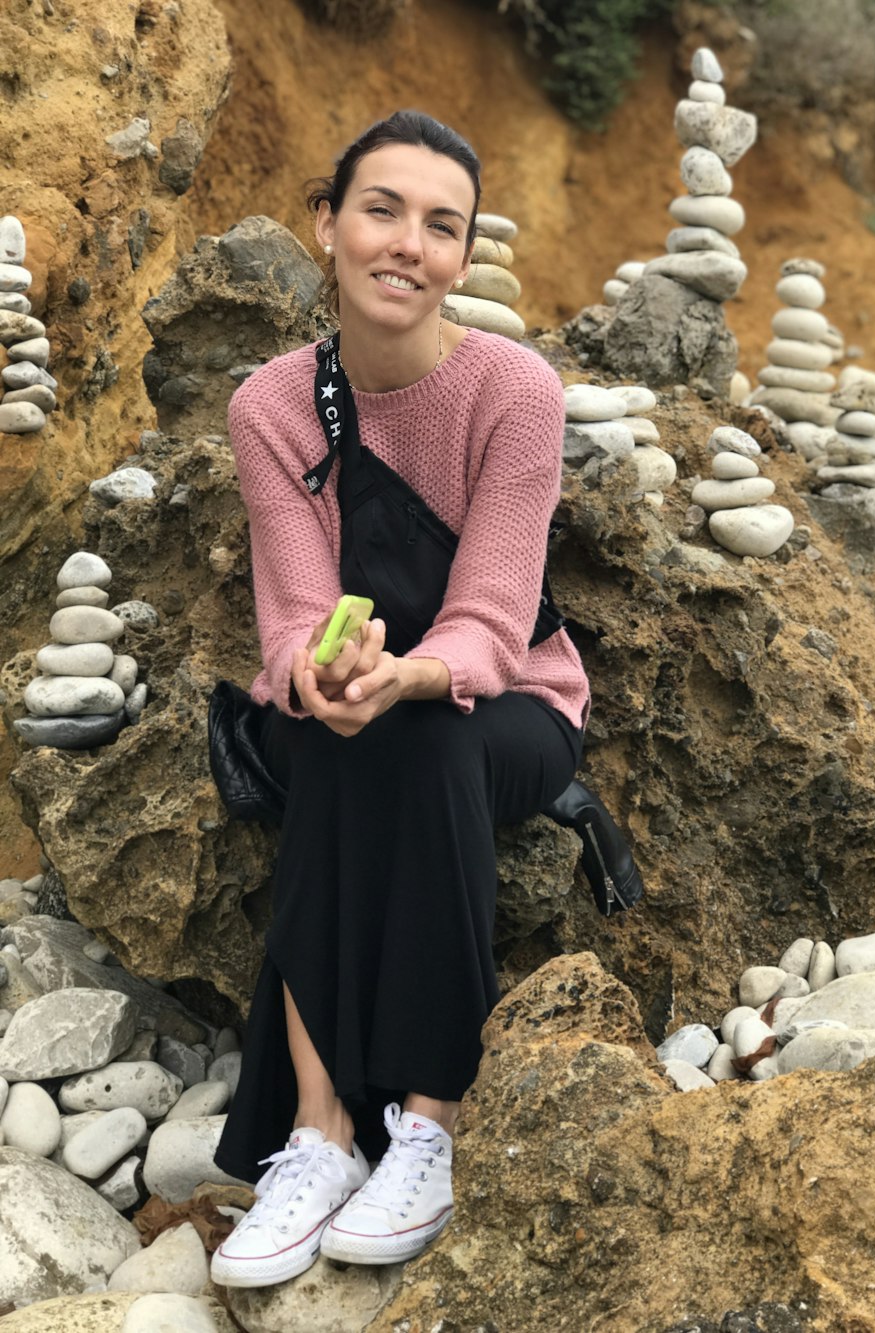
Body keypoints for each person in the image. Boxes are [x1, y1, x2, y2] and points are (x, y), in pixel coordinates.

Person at [210, 110, 589, 1288]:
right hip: (355, 691)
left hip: (512, 700)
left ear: (463, 258)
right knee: (322, 736)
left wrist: (411, 673)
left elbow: (489, 610)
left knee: (422, 738)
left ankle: (429, 1122)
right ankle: (321, 1136)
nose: (406, 245)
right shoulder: (270, 407)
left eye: (442, 226)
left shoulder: (512, 390)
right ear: (325, 225)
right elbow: (289, 611)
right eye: (381, 210)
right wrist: (318, 675)